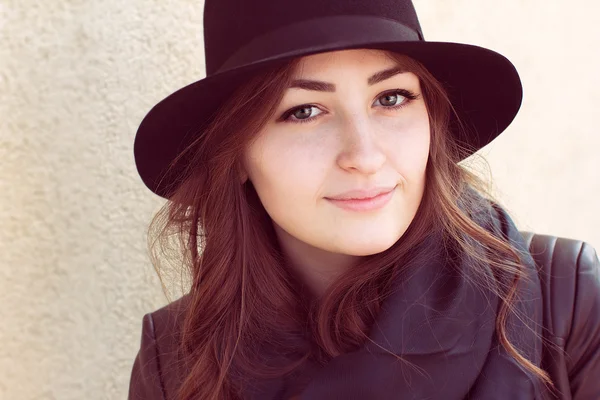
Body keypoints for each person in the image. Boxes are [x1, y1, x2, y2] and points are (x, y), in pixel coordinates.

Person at [128, 0, 600, 399]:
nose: (365, 156)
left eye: (392, 98)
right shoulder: (176, 357)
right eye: (304, 111)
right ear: (235, 156)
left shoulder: (565, 299)